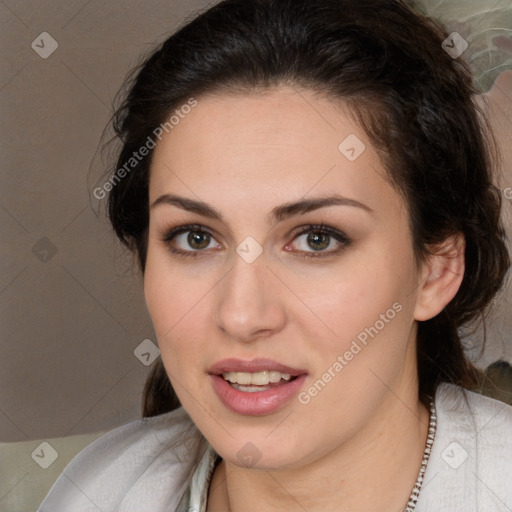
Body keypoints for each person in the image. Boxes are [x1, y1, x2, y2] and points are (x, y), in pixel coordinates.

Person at [38, 0, 512, 511]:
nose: (242, 315)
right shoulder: (99, 490)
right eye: (196, 238)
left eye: (316, 239)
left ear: (436, 270)